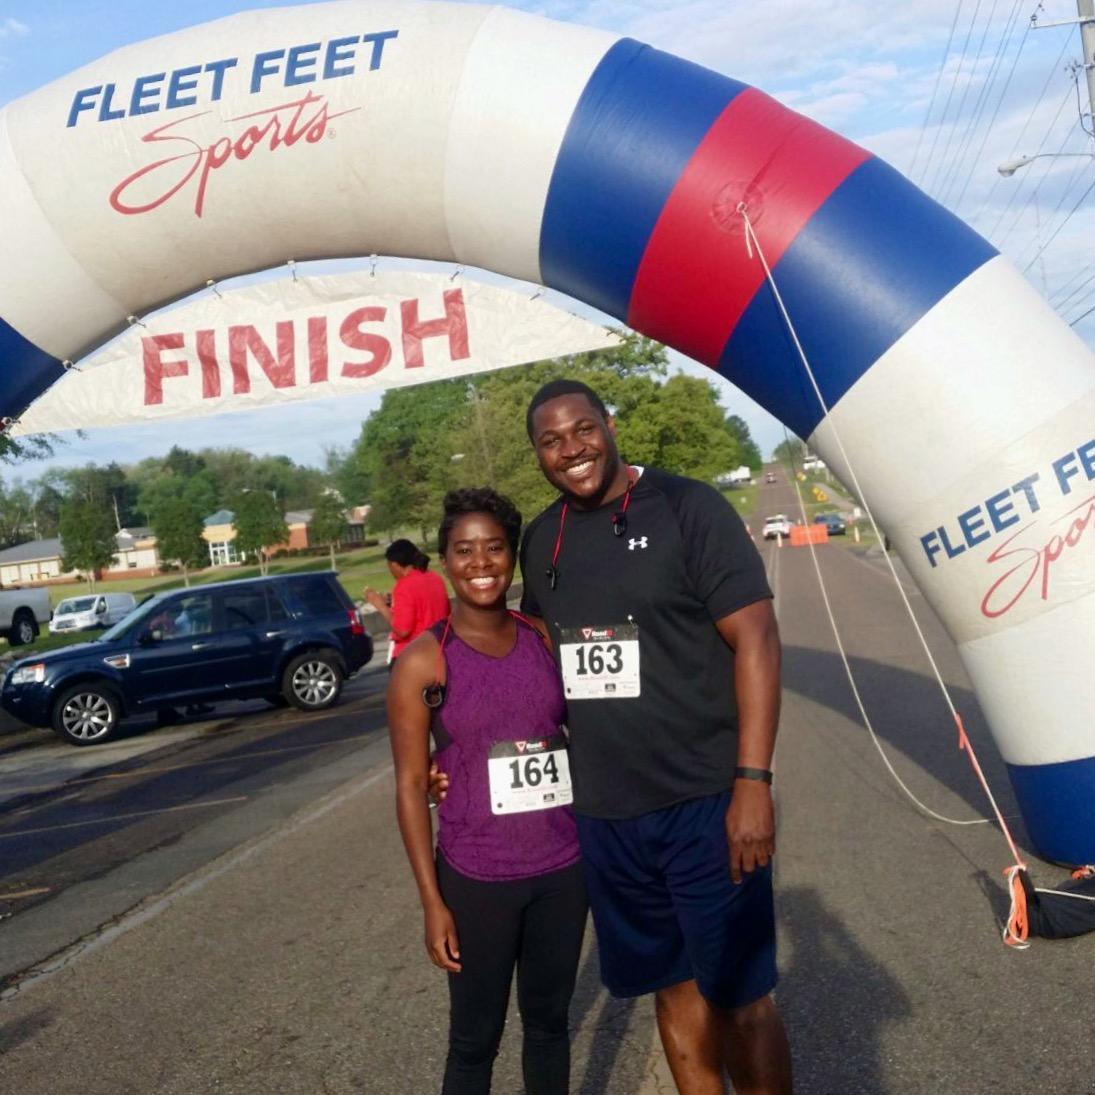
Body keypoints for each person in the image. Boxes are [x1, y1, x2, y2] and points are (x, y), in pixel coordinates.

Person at [433, 379, 792, 1094]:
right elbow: (525, 662)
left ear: (609, 423)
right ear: (537, 453)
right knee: (673, 991)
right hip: (605, 817)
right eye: (550, 440)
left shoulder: (688, 507)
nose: (571, 449)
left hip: (704, 802)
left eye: (581, 429)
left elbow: (755, 637)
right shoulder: (541, 540)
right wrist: (447, 758)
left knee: (741, 999)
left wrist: (752, 782)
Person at [388, 488, 588, 1095]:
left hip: (563, 869)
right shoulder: (425, 662)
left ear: (512, 556)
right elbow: (408, 784)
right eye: (464, 550)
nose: (481, 563)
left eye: (494, 548)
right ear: (444, 560)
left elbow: (591, 733)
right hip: (476, 879)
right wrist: (431, 900)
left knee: (551, 1028)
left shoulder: (544, 639)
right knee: (474, 1044)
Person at [365, 539, 451, 664]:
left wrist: (381, 606)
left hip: (412, 655)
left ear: (394, 565)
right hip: (440, 649)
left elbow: (402, 630)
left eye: (389, 566)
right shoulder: (435, 578)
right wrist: (392, 604)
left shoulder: (404, 586)